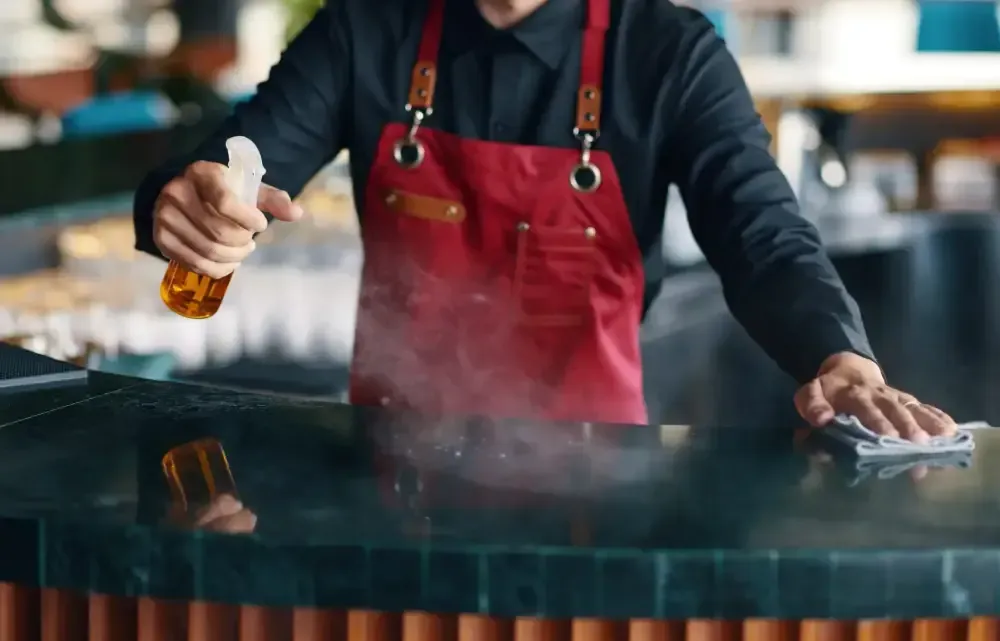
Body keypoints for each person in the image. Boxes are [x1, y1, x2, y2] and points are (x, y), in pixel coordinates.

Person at [133, 0, 957, 439]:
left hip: (594, 477)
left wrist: (838, 354)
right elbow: (236, 163)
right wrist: (182, 203)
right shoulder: (366, 28)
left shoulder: (667, 51)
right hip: (390, 468)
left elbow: (762, 232)